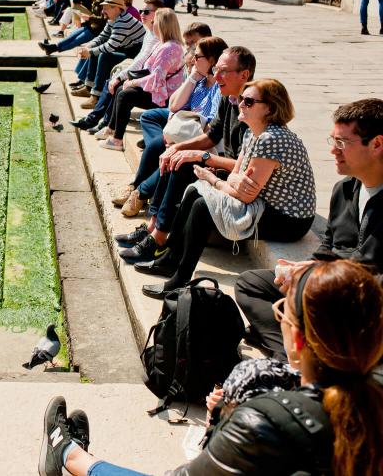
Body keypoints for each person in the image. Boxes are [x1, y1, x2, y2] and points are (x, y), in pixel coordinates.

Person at [38, 259, 383, 476]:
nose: (278, 318)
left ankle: (69, 453)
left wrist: (222, 424)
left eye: (282, 313)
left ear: (298, 341)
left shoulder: (263, 420)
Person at [140, 79, 316, 299]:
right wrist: (233, 181)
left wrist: (212, 179)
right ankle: (169, 260)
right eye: (242, 99)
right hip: (264, 203)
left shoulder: (271, 139)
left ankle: (180, 280)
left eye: (249, 101)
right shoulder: (253, 132)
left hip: (288, 219)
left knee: (203, 206)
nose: (241, 104)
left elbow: (245, 193)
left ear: (269, 108)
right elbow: (236, 176)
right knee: (195, 191)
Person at [236, 98, 383, 359]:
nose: (333, 151)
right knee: (251, 284)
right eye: (333, 141)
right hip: (328, 286)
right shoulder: (345, 189)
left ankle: (294, 354)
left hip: (366, 301)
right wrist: (299, 269)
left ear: (377, 144)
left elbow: (373, 270)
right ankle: (289, 356)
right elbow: (328, 246)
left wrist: (318, 273)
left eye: (342, 143)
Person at [120, 46, 254, 267]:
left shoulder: (250, 107)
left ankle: (159, 239)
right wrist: (179, 148)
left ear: (244, 75)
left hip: (238, 177)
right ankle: (153, 228)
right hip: (225, 167)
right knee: (173, 155)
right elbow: (211, 137)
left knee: (182, 165)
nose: (216, 76)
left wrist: (201, 157)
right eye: (216, 70)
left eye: (223, 71)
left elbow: (243, 166)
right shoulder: (228, 99)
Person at [114, 35, 225, 224]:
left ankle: (141, 191)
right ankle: (138, 187)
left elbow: (210, 127)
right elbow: (174, 105)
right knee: (154, 136)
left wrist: (175, 144)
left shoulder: (219, 88)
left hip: (200, 137)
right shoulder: (199, 80)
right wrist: (192, 76)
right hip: (185, 128)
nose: (192, 58)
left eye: (197, 56)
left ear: (212, 60)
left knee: (163, 150)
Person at [97, 8, 185, 152]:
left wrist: (132, 82)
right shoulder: (164, 44)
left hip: (164, 96)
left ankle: (117, 139)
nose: (151, 23)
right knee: (121, 89)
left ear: (162, 25)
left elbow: (157, 78)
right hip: (158, 90)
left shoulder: (168, 48)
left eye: (154, 21)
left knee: (125, 95)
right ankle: (111, 130)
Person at [73, 0, 145, 110]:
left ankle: (96, 96)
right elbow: (102, 37)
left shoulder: (123, 21)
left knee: (104, 56)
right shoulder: (114, 18)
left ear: (116, 8)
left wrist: (90, 52)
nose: (103, 11)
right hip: (128, 50)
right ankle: (89, 88)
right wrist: (89, 47)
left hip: (136, 56)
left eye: (106, 8)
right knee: (96, 52)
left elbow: (111, 46)